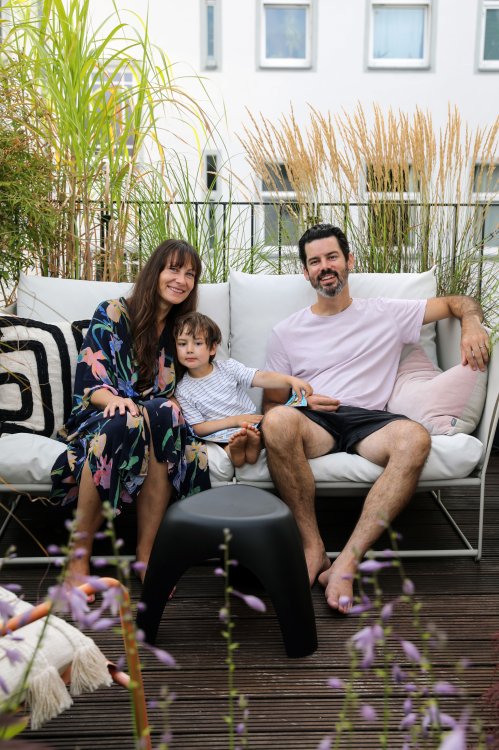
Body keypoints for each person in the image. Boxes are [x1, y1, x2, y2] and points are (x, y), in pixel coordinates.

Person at [261, 223, 490, 613]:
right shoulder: (286, 332)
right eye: (314, 261)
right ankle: (313, 547)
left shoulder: (387, 313)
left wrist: (470, 324)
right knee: (277, 422)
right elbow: (270, 407)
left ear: (349, 261)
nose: (324, 266)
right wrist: (302, 402)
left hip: (371, 419)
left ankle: (347, 562)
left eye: (332, 256)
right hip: (315, 418)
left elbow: (458, 302)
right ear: (305, 272)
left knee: (415, 438)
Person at [51, 239, 211, 584]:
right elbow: (91, 381)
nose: (182, 280)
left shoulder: (181, 332)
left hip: (154, 422)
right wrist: (116, 402)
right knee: (128, 417)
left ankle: (146, 555)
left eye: (190, 274)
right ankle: (77, 561)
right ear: (155, 271)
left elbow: (199, 382)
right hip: (105, 416)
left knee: (163, 415)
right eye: (174, 269)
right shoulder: (112, 312)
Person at [173, 311, 312, 467]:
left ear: (212, 348)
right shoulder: (182, 389)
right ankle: (235, 451)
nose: (189, 350)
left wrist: (289, 380)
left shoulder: (229, 368)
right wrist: (234, 421)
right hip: (218, 435)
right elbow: (198, 428)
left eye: (197, 343)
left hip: (250, 425)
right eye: (182, 344)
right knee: (228, 445)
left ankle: (253, 445)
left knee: (266, 431)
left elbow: (261, 378)